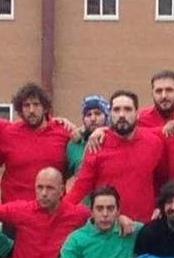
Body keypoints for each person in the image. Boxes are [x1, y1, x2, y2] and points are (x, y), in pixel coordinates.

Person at [65, 90, 166, 222]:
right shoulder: (97, 144)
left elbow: (163, 179)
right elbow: (81, 188)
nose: (122, 115)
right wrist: (59, 212)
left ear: (137, 114)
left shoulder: (154, 142)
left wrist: (160, 206)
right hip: (108, 228)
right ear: (110, 114)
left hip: (143, 228)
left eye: (128, 109)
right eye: (116, 110)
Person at [0, 82, 74, 204]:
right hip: (15, 212)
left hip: (51, 211)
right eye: (26, 105)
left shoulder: (64, 133)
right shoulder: (8, 133)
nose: (31, 110)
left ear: (45, 108)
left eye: (36, 104)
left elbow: (75, 167)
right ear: (20, 109)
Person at [66, 95, 109, 178]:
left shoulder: (116, 140)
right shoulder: (74, 144)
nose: (93, 118)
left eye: (97, 113)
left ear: (107, 116)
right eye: (88, 115)